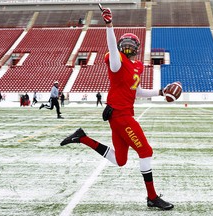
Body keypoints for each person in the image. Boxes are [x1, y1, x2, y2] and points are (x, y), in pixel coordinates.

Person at [60, 7, 174, 210]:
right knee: (146, 151)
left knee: (120, 160)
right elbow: (113, 50)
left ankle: (82, 137)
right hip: (121, 115)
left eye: (132, 44)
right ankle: (152, 197)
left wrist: (160, 92)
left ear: (137, 48)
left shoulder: (137, 66)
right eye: (125, 44)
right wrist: (109, 25)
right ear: (121, 47)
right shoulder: (117, 62)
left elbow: (136, 91)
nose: (128, 47)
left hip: (122, 114)